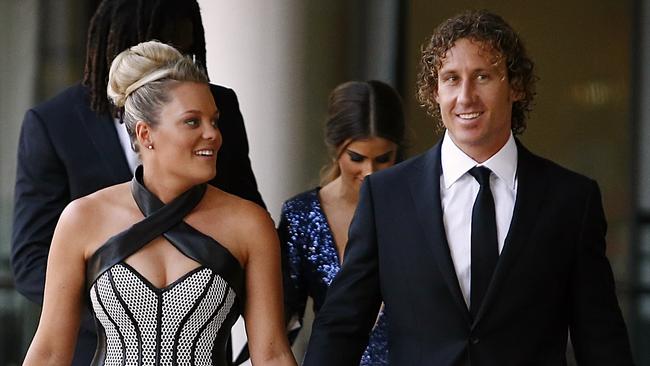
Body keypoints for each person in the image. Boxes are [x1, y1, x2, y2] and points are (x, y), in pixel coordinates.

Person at [303, 10, 635, 365]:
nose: (466, 97)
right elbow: (342, 326)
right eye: (450, 79)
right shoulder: (386, 196)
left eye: (483, 76)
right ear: (435, 91)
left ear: (516, 86)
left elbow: (599, 337)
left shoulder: (571, 199)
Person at [11, 1, 263, 364]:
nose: (168, 58)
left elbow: (247, 221)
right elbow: (31, 258)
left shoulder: (218, 107)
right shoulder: (54, 122)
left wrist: (199, 312)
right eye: (162, 41)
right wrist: (121, 310)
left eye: (183, 44)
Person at [278, 80, 406, 365]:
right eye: (357, 158)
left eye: (384, 159)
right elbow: (281, 322)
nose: (370, 172)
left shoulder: (419, 208)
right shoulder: (301, 215)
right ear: (336, 148)